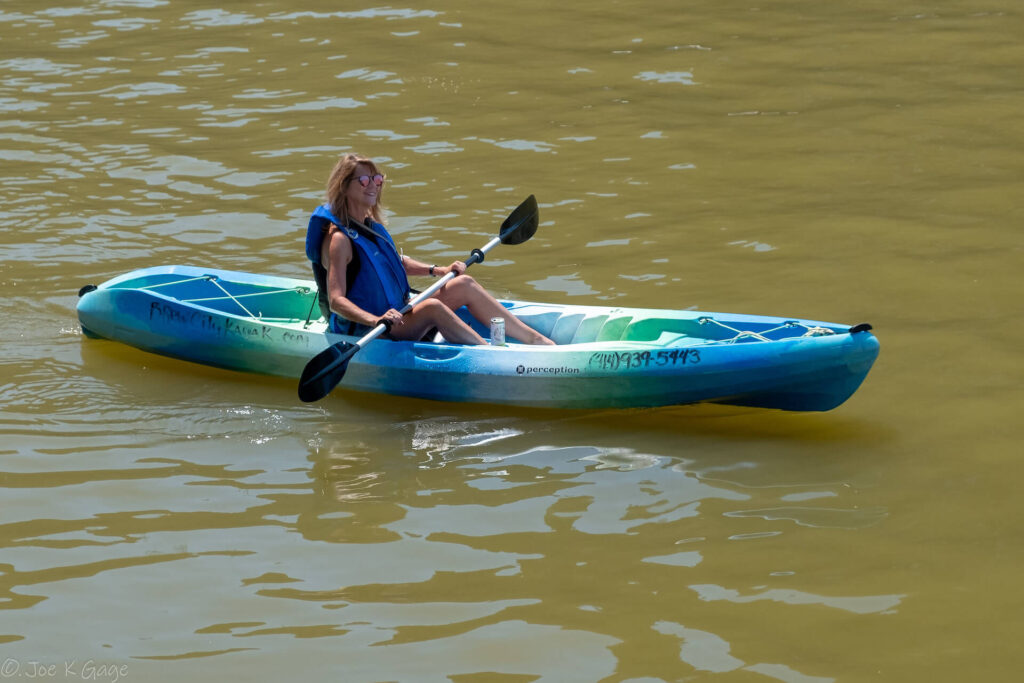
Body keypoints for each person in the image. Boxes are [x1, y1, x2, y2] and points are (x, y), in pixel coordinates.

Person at [304, 153, 555, 346]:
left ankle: (537, 341)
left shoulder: (370, 226)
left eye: (378, 179)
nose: (374, 185)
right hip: (373, 328)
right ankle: (489, 353)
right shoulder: (340, 240)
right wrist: (375, 320)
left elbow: (394, 262)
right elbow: (337, 301)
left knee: (463, 284)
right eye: (364, 180)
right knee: (432, 308)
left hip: (399, 312)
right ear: (344, 186)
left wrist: (439, 270)